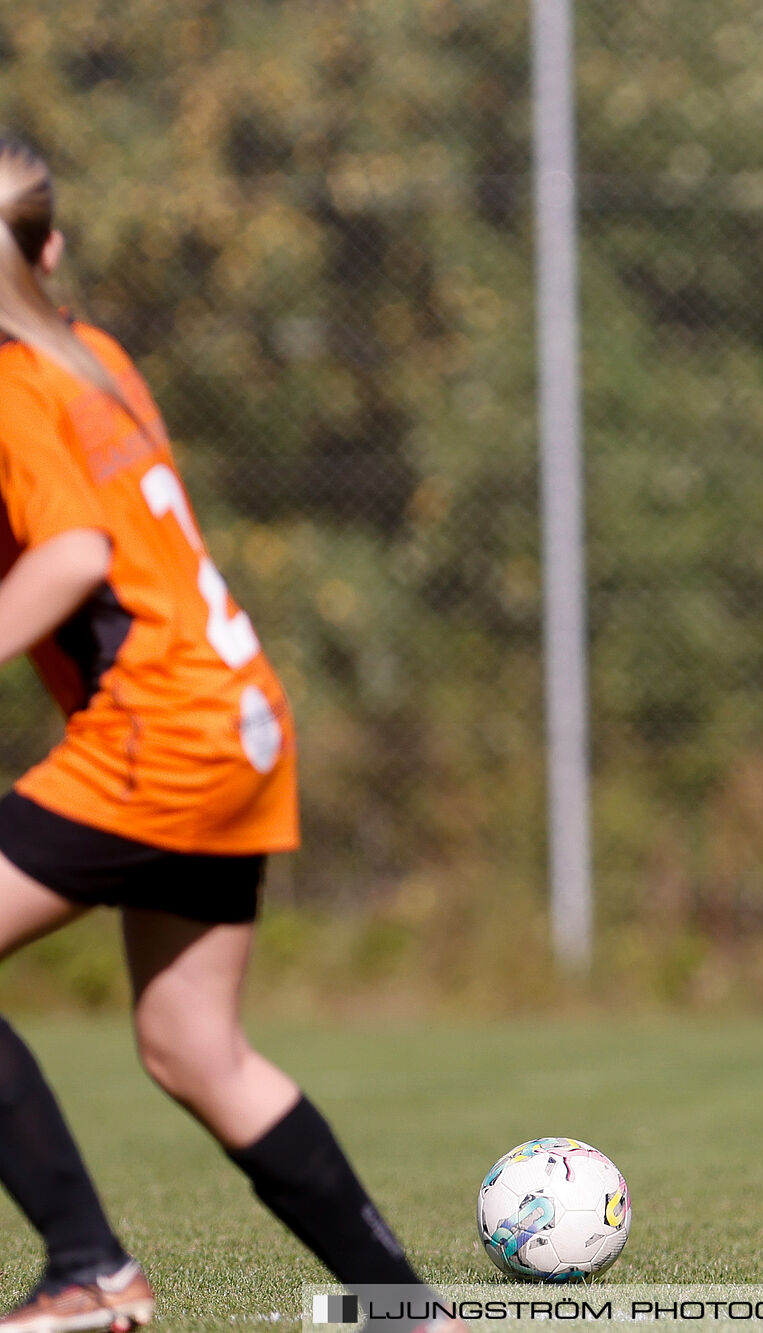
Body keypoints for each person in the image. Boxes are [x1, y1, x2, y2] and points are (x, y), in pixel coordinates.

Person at [0, 137, 459, 1331]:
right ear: (51, 249)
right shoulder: (93, 357)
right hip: (239, 715)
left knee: (195, 1047)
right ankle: (406, 1310)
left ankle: (89, 1270)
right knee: (196, 1048)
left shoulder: (14, 385)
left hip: (160, 729)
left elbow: (73, 555)